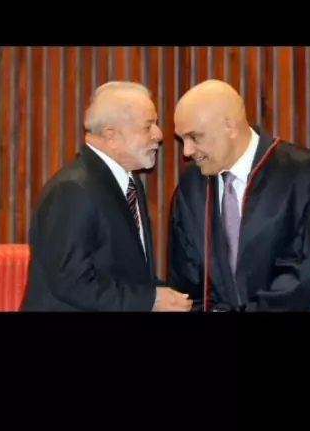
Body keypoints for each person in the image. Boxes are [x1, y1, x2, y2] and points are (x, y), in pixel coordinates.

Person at [168, 79, 310, 311]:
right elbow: (186, 288)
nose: (187, 151)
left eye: (195, 137)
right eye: (182, 139)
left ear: (230, 126)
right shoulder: (191, 191)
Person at [21, 81, 192, 312]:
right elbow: (71, 281)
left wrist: (165, 296)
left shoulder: (129, 183)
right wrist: (150, 300)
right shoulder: (72, 191)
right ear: (111, 136)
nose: (159, 135)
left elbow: (129, 273)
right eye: (148, 126)